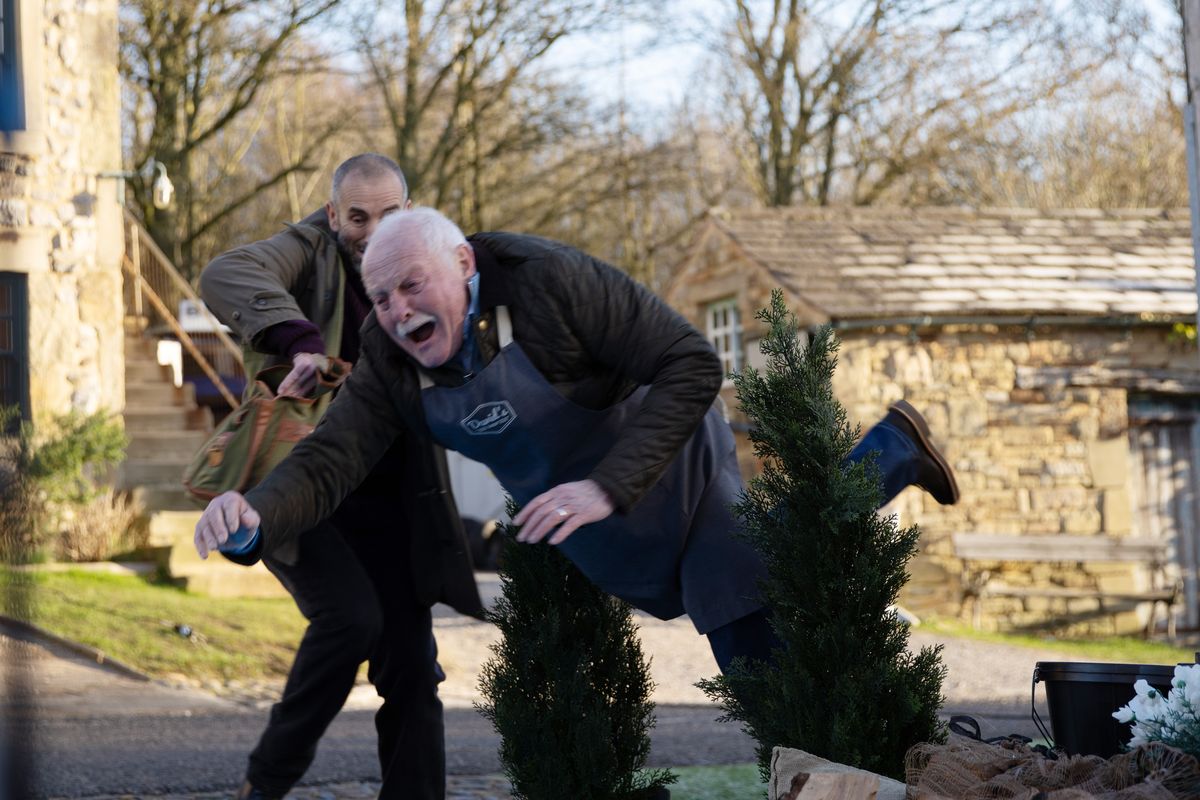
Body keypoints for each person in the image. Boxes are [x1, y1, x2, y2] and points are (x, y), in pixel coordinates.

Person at [194, 206, 958, 700]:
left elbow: (691, 362)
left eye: (412, 285)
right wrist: (252, 512)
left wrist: (605, 485)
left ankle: (804, 754)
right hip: (599, 533)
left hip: (667, 461)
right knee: (771, 554)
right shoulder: (388, 362)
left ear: (462, 264)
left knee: (739, 609)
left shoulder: (550, 283)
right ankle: (890, 452)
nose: (398, 312)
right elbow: (331, 460)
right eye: (382, 296)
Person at [198, 160, 482, 800]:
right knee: (351, 619)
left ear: (410, 209)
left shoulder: (421, 255)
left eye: (387, 214)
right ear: (333, 216)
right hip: (305, 486)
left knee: (411, 668)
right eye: (357, 217)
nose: (372, 230)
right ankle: (266, 782)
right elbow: (225, 274)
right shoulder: (308, 250)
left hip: (393, 492)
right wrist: (299, 340)